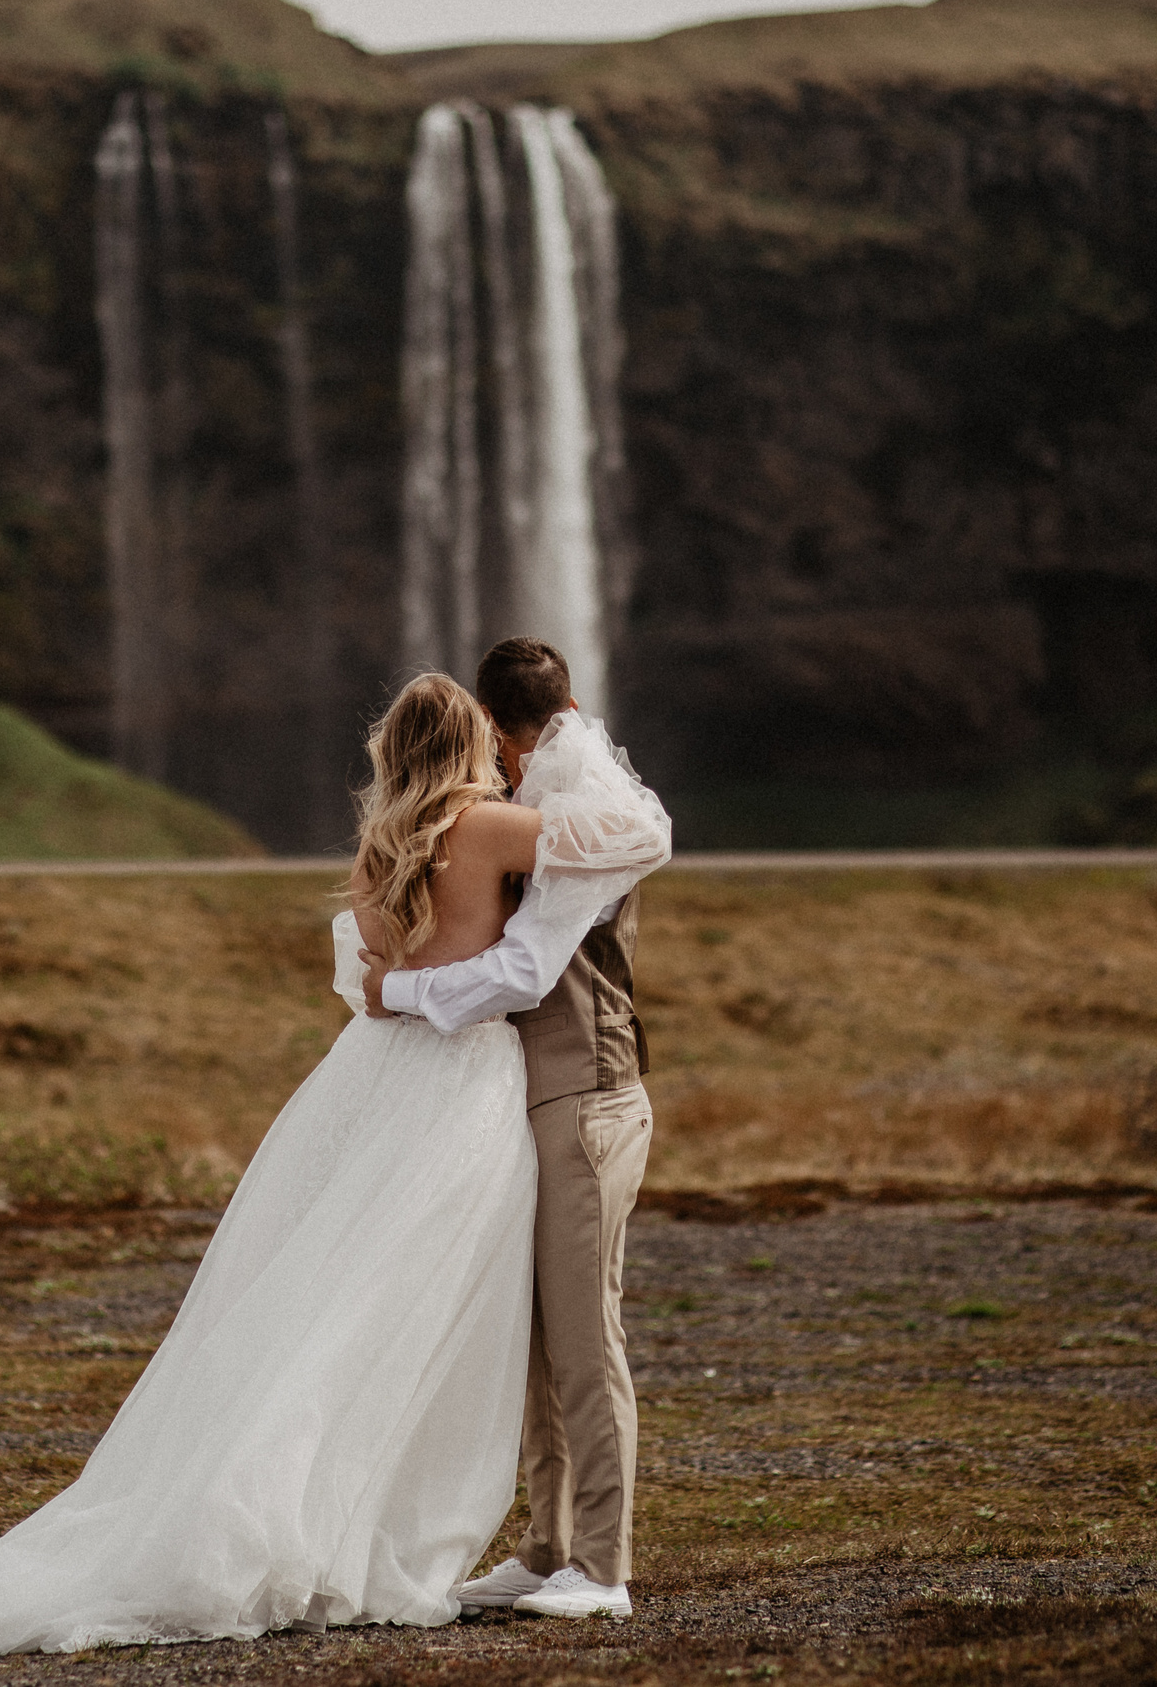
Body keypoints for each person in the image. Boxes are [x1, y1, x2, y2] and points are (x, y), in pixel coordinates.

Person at [0, 671, 665, 1659]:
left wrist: (397, 990)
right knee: (422, 1314)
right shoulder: (491, 827)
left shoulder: (380, 848)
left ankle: (333, 1510)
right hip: (467, 1086)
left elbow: (367, 980)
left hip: (379, 1080)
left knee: (340, 1292)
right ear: (471, 744)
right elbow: (633, 842)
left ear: (393, 751)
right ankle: (471, 1539)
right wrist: (578, 752)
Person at [363, 637, 671, 1623]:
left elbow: (526, 972)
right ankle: (546, 1549)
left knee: (584, 1339)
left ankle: (605, 1567)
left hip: (586, 1091)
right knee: (537, 1340)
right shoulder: (547, 801)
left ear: (496, 735)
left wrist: (393, 992)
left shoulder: (580, 813)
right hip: (542, 1097)